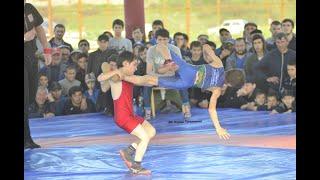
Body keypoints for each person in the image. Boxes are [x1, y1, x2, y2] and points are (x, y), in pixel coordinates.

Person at [123, 43, 245, 139]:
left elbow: (206, 46)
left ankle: (167, 61)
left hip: (186, 70)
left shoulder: (218, 64)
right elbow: (211, 109)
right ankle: (124, 77)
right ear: (229, 84)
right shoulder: (217, 90)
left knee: (161, 46)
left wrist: (207, 55)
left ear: (230, 70)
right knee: (150, 81)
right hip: (184, 83)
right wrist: (218, 128)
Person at [97, 51, 156, 175]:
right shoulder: (117, 78)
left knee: (151, 131)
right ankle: (136, 166)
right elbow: (100, 78)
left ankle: (128, 151)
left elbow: (104, 86)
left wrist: (116, 72)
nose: (136, 67)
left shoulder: (123, 76)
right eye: (134, 65)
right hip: (123, 117)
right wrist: (115, 71)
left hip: (130, 115)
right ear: (125, 63)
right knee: (144, 137)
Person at [24, 0, 51, 148]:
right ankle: (26, 138)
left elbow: (39, 28)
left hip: (31, 58)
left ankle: (27, 138)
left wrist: (47, 50)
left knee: (29, 98)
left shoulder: (28, 8)